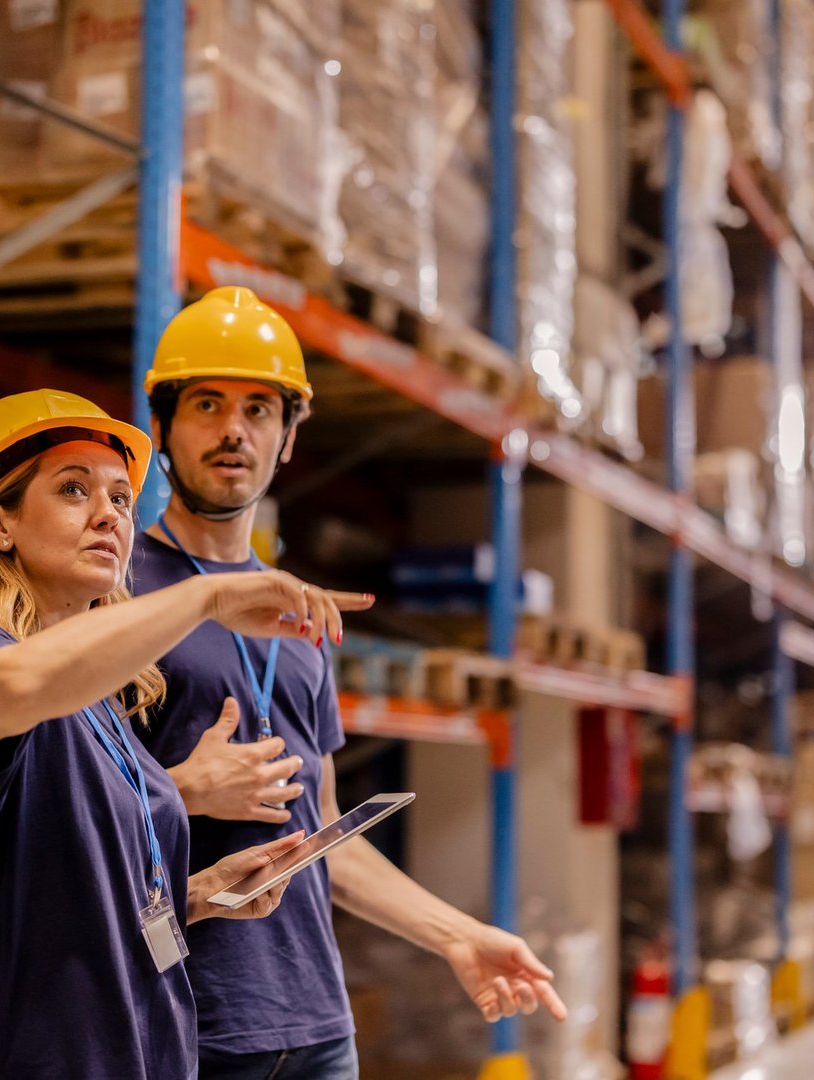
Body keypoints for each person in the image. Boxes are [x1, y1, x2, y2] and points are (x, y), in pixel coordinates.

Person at [130, 288, 569, 1080]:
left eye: (260, 409)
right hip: (184, 1030)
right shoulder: (116, 595)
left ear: (288, 438)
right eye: (206, 404)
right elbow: (55, 816)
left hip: (316, 1029)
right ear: (161, 425)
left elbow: (323, 834)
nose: (234, 429)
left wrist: (455, 935)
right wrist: (178, 789)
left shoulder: (298, 618)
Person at [0, 389, 368, 1079]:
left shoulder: (101, 706)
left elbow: (82, 903)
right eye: (74, 489)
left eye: (119, 498)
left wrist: (200, 894)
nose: (108, 515)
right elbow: (23, 683)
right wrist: (209, 595)